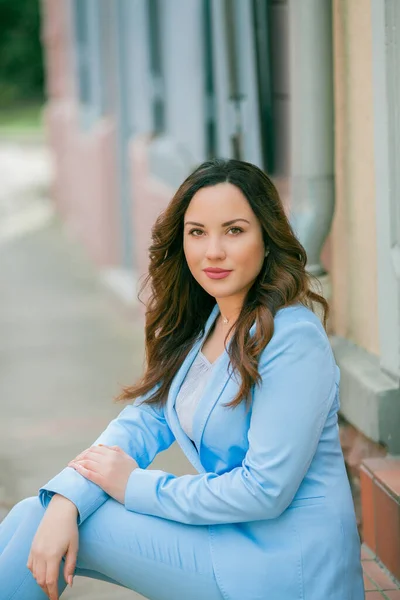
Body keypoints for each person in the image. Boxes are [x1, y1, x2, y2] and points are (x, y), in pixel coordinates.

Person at [0, 158, 364, 600]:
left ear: (268, 239)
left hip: (283, 565)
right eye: (197, 232)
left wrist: (133, 485)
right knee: (37, 516)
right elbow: (142, 420)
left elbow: (263, 490)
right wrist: (67, 497)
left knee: (35, 525)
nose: (213, 251)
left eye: (234, 230)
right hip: (229, 540)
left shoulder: (291, 338)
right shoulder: (209, 323)